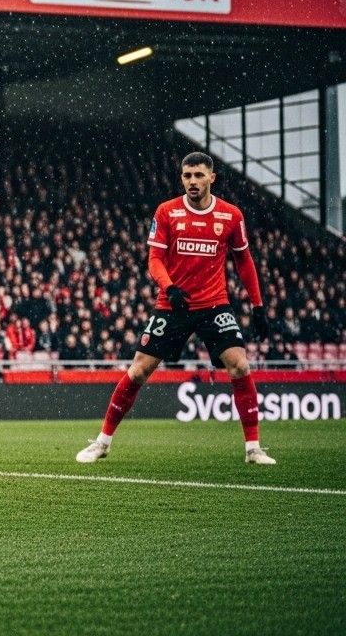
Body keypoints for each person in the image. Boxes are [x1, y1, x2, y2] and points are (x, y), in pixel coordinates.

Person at [76, 152, 275, 465]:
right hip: (173, 304)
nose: (192, 181)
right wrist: (170, 288)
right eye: (187, 175)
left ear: (211, 178)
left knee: (239, 365)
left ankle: (253, 448)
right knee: (138, 370)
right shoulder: (167, 211)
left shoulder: (231, 215)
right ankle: (102, 442)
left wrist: (258, 305)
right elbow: (154, 259)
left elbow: (244, 260)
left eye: (198, 175)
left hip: (214, 304)